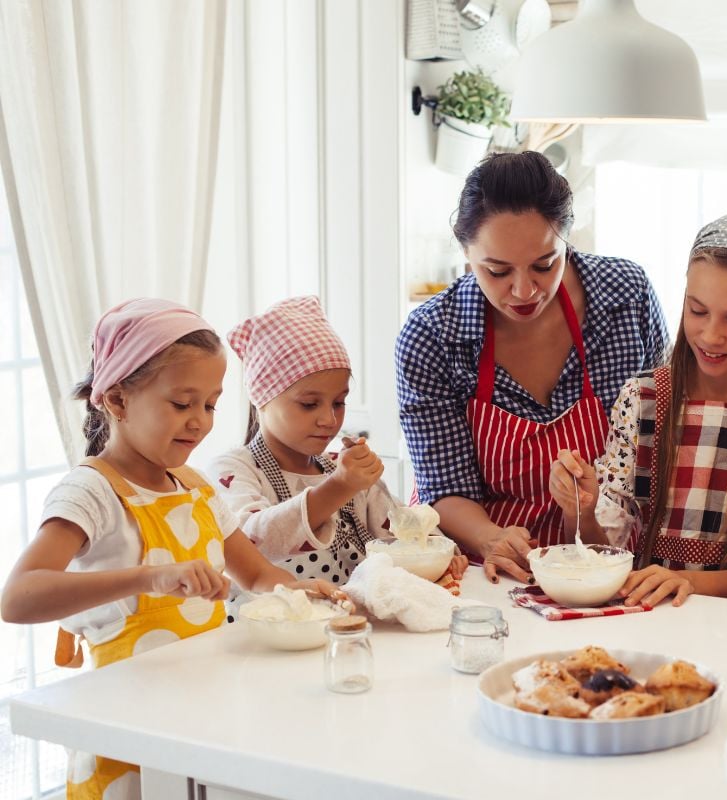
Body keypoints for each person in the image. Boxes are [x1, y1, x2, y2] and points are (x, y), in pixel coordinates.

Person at [0, 298, 346, 800]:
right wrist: (149, 577)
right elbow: (18, 598)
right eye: (182, 404)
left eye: (210, 404)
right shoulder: (92, 491)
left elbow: (256, 575)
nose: (200, 422)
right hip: (126, 727)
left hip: (198, 716)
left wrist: (302, 590)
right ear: (116, 402)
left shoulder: (196, 487)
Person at [395, 151, 670, 584]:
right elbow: (444, 486)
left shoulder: (624, 297)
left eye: (545, 265)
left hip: (604, 563)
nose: (523, 291)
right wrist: (492, 539)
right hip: (486, 569)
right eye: (497, 271)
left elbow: (660, 439)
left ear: (566, 238)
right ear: (467, 253)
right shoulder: (433, 335)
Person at [550, 208, 727, 607]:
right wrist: (582, 510)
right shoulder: (642, 399)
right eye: (697, 311)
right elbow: (599, 555)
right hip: (644, 615)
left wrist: (687, 583)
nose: (711, 335)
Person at [211, 296, 466, 595]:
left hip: (350, 624)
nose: (329, 419)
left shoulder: (341, 468)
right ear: (261, 398)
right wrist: (339, 487)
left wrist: (437, 551)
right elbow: (253, 540)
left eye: (339, 402)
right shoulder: (233, 470)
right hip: (273, 630)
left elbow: (400, 527)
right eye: (309, 404)